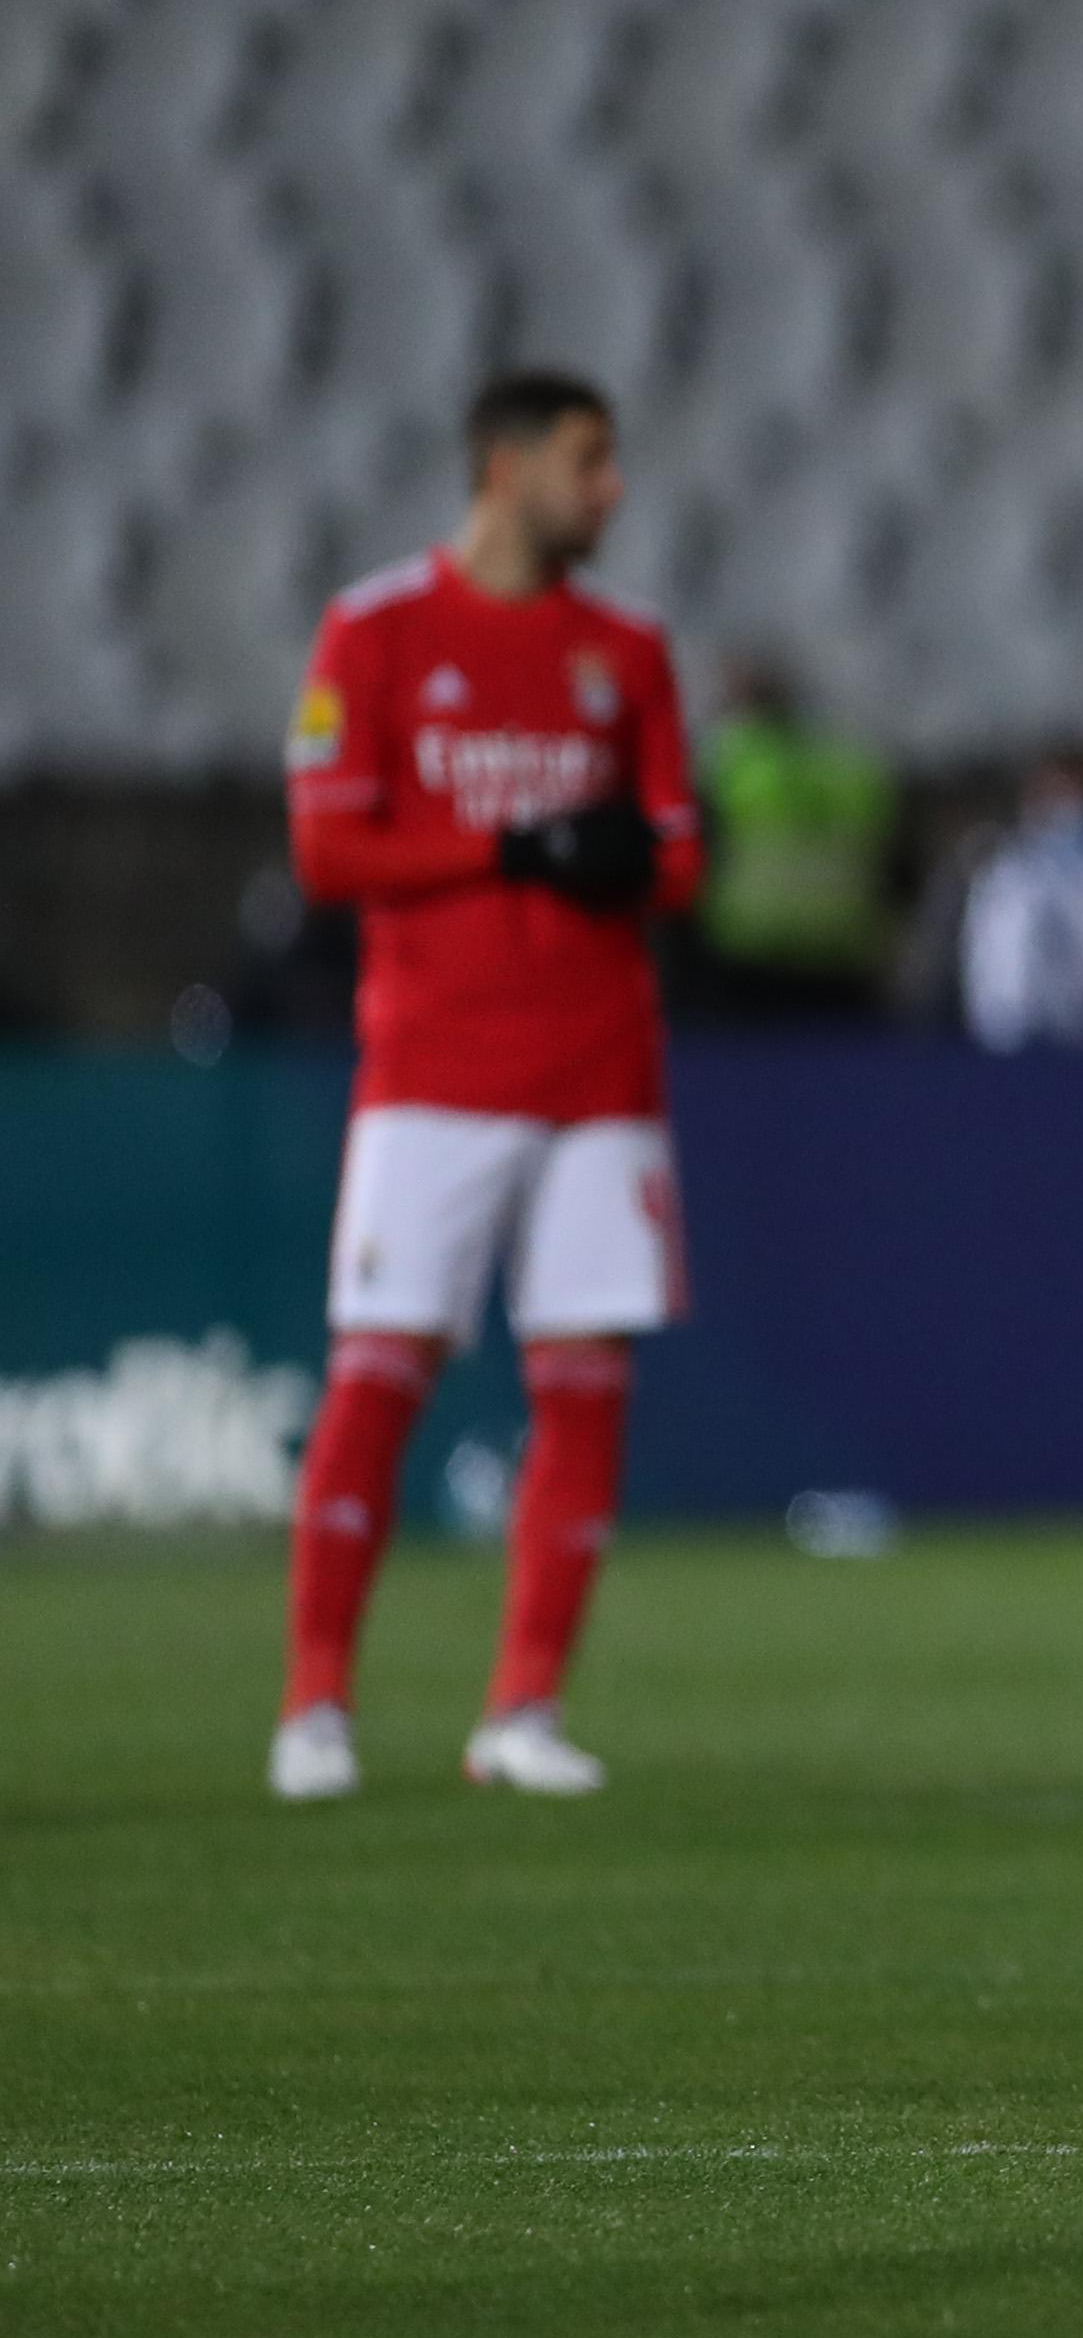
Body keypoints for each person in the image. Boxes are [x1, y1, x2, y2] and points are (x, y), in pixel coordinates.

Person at [272, 369, 702, 1803]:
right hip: (433, 1069)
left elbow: (678, 853)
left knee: (585, 1388)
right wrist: (510, 848)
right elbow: (328, 851)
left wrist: (624, 859)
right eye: (589, 460)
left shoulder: (626, 649)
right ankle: (315, 1703)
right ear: (505, 470)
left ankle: (523, 1707)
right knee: (379, 1376)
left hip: (600, 1071)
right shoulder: (377, 628)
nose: (611, 487)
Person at [687, 660, 897, 1016]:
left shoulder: (728, 761)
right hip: (842, 945)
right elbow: (893, 859)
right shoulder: (852, 765)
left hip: (749, 947)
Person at [958, 747, 1083, 1050]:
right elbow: (997, 975)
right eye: (1058, 797)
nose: (1070, 811)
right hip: (1018, 1040)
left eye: (1079, 798)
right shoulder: (1008, 875)